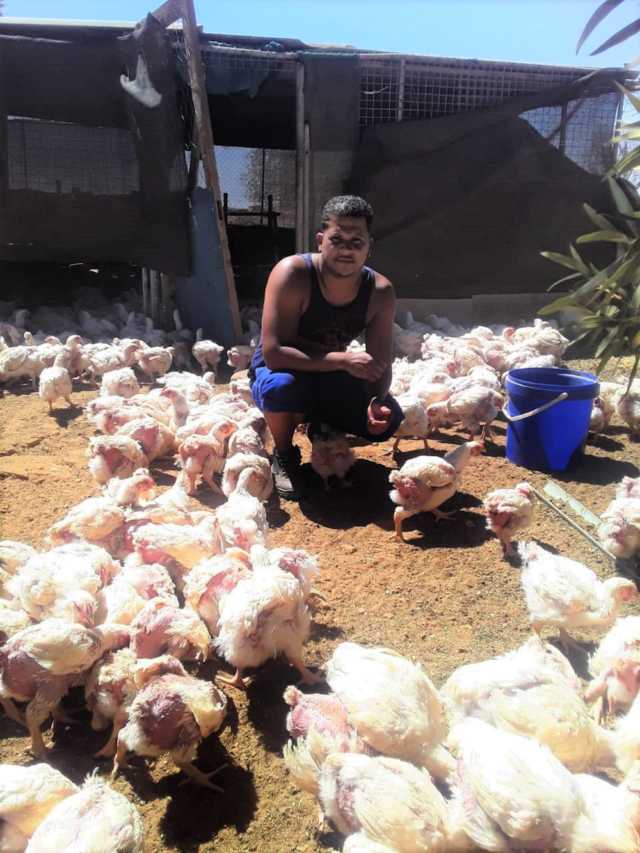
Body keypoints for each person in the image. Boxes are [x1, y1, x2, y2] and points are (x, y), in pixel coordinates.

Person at [248, 195, 403, 500]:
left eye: (356, 240)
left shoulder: (380, 292)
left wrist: (376, 398)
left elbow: (380, 361)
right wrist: (343, 362)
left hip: (328, 370)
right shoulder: (293, 274)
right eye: (337, 238)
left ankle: (321, 424)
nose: (346, 248)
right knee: (283, 387)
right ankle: (284, 455)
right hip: (279, 370)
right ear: (320, 240)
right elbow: (275, 354)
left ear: (369, 245)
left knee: (390, 421)